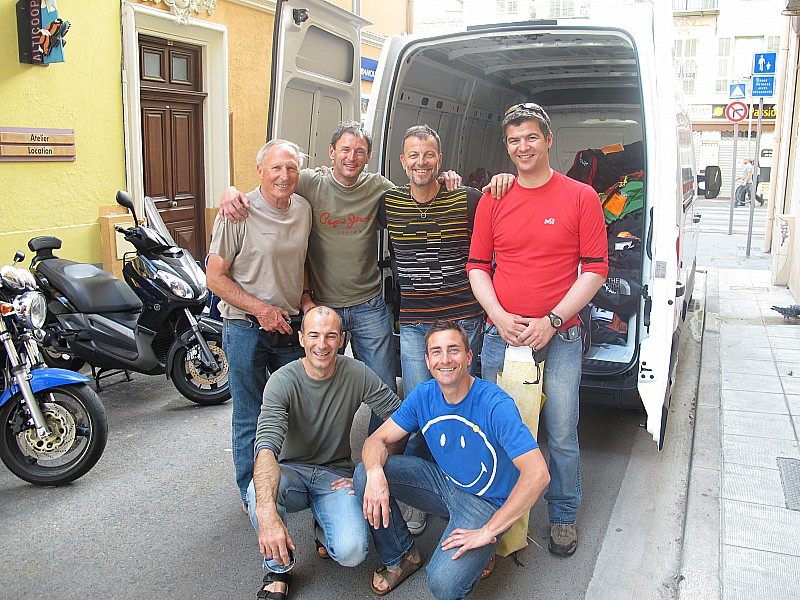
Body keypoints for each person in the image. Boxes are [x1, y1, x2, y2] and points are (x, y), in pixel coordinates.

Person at [466, 102, 608, 558]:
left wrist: (552, 320)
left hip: (559, 337)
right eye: (513, 140)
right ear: (506, 148)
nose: (522, 147)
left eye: (531, 137)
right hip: (500, 337)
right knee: (499, 430)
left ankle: (563, 514)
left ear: (549, 140)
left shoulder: (581, 197)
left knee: (561, 432)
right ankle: (499, 511)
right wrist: (499, 315)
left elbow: (595, 269)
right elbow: (477, 266)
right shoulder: (495, 197)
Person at [354, 321, 550, 599]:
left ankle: (484, 548)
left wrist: (488, 531)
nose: (445, 359)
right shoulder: (423, 395)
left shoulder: (495, 403)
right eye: (436, 351)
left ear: (469, 357)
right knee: (364, 473)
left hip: (486, 504)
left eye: (453, 350)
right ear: (427, 360)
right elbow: (377, 440)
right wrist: (375, 474)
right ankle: (401, 557)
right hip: (445, 483)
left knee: (443, 585)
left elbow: (538, 474)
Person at [249, 306, 401, 600]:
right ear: (302, 338)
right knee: (259, 492)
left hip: (335, 475)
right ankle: (278, 570)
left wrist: (374, 470)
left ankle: (323, 525)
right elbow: (266, 445)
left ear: (342, 339)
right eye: (314, 335)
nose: (322, 344)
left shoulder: (356, 373)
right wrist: (266, 514)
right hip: (291, 473)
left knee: (352, 552)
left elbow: (399, 418)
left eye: (331, 336)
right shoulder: (282, 380)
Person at [378, 125, 487, 535]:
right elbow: (339, 198)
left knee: (463, 408)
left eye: (429, 155)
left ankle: (470, 485)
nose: (421, 162)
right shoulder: (389, 203)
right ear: (402, 162)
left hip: (463, 320)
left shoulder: (467, 199)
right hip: (415, 324)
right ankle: (421, 494)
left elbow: (510, 214)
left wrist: (503, 179)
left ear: (440, 161)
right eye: (413, 155)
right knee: (419, 410)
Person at [206, 139, 313, 507]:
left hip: (288, 328)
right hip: (246, 329)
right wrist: (260, 310)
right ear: (260, 171)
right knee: (250, 416)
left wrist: (306, 300)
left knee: (295, 413)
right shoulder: (237, 212)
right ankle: (251, 496)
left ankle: (293, 487)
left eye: (291, 168)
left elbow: (300, 263)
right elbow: (215, 278)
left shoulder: (303, 209)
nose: (284, 175)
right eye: (276, 168)